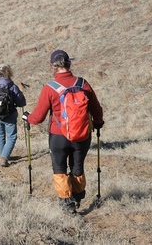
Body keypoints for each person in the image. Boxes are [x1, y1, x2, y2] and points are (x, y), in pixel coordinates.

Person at [23, 50, 104, 214]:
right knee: (78, 166)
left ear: (53, 66)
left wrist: (27, 118)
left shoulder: (50, 88)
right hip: (82, 135)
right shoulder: (83, 84)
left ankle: (67, 206)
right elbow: (96, 109)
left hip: (59, 136)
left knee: (59, 169)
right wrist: (98, 123)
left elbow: (38, 117)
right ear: (69, 64)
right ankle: (78, 195)